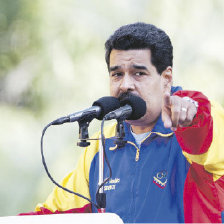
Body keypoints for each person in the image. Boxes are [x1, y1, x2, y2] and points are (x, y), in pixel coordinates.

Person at [23, 22, 224, 223]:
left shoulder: (196, 120)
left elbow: (201, 125)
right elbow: (51, 216)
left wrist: (190, 112)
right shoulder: (102, 146)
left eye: (139, 73)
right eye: (117, 74)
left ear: (167, 79)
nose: (125, 85)